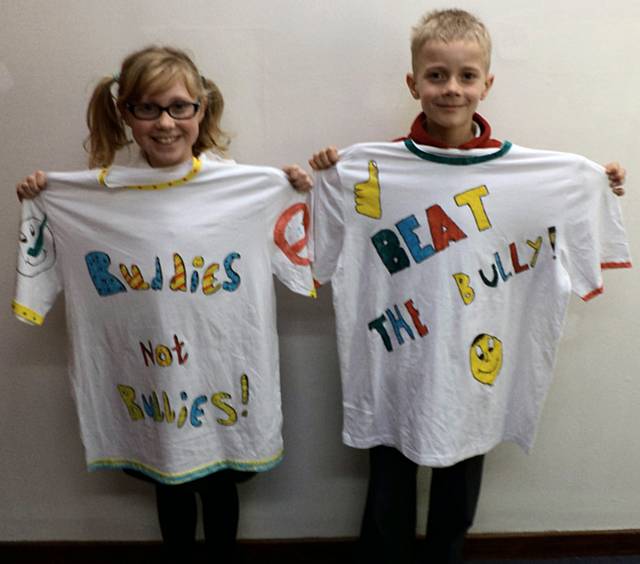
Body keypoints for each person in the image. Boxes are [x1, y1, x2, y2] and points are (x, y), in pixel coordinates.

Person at [309, 9, 630, 564]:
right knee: (388, 479)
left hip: (480, 365)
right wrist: (318, 177)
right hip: (394, 358)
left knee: (459, 482)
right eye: (436, 75)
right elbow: (320, 250)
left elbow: (577, 223)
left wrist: (593, 188)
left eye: (465, 76)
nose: (451, 89)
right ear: (413, 84)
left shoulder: (535, 176)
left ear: (487, 84)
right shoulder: (371, 171)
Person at [13, 45, 315, 561]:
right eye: (147, 108)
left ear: (202, 109)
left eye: (180, 107)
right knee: (168, 478)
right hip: (149, 380)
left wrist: (292, 191)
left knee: (220, 485)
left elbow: (302, 258)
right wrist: (44, 198)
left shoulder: (244, 188)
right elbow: (46, 252)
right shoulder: (97, 197)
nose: (166, 123)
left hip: (222, 378)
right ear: (125, 113)